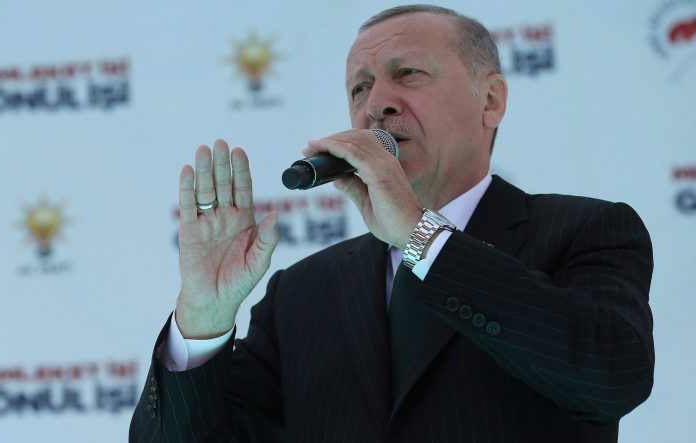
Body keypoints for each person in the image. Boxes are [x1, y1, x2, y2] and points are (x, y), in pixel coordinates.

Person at [130, 5, 654, 442]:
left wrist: (421, 236)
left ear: (490, 101)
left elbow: (611, 378)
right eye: (359, 89)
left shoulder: (586, 230)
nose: (376, 104)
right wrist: (201, 318)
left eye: (408, 75)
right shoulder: (301, 293)